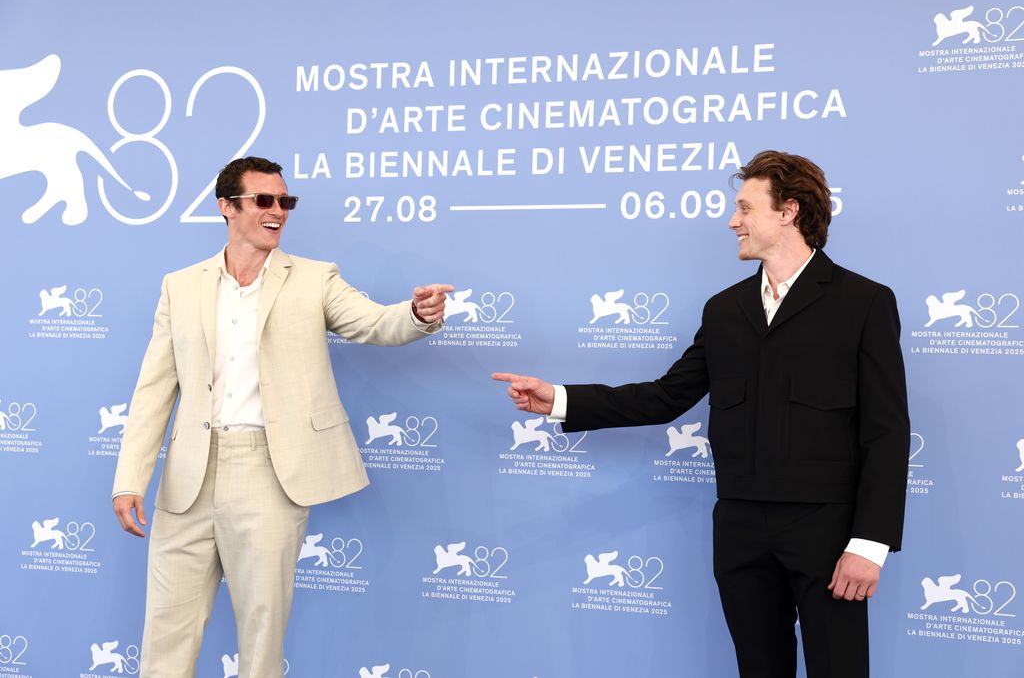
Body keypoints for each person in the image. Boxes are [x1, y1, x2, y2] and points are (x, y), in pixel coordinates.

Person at [494, 150, 909, 678]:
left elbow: (887, 430)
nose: (732, 221)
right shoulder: (724, 309)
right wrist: (561, 399)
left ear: (790, 211)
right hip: (739, 526)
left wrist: (869, 544)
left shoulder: (864, 302)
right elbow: (666, 395)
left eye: (745, 208)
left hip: (827, 531)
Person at [111, 156, 451, 678]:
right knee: (165, 633)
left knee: (262, 633)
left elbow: (374, 323)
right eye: (264, 200)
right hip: (186, 478)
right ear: (226, 207)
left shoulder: (315, 279)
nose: (278, 211)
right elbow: (153, 389)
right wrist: (130, 477)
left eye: (285, 201)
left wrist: (416, 315)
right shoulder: (181, 286)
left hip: (270, 473)